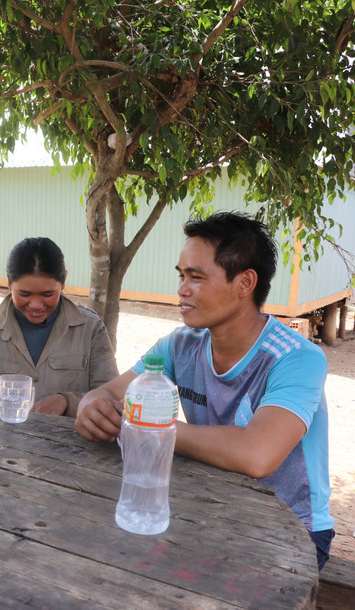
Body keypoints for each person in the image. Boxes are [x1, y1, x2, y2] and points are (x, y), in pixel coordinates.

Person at [75, 211, 334, 569]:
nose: (182, 289)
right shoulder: (181, 344)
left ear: (245, 284)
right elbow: (109, 394)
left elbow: (255, 455)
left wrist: (148, 426)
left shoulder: (296, 358)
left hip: (294, 531)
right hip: (214, 507)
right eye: (181, 276)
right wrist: (90, 407)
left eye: (196, 277)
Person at [0, 237, 118, 416]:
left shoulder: (90, 329)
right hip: (4, 440)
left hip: (69, 442)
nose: (35, 305)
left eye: (48, 294)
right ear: (8, 281)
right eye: (24, 294)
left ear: (64, 281)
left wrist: (69, 402)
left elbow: (111, 397)